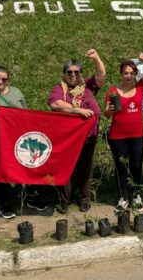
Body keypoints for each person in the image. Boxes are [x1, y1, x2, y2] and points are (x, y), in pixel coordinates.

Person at [0, 65, 47, 219]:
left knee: (27, 166)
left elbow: (25, 113)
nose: (0, 81)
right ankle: (4, 203)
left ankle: (31, 196)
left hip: (18, 138)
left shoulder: (16, 92)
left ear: (8, 80)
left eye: (4, 79)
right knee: (1, 170)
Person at [48, 49, 106, 213]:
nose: (73, 75)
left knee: (85, 167)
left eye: (76, 72)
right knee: (66, 167)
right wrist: (78, 110)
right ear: (64, 74)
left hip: (89, 135)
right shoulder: (60, 88)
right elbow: (56, 104)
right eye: (69, 72)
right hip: (67, 137)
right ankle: (64, 200)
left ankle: (84, 199)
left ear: (81, 74)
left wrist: (96, 58)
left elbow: (101, 76)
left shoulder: (86, 86)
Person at [104, 53, 143, 213]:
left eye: (131, 73)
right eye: (125, 73)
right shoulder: (113, 91)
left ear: (135, 74)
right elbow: (106, 113)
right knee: (121, 167)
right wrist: (109, 110)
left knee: (136, 166)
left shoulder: (140, 87)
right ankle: (124, 197)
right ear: (121, 74)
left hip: (137, 135)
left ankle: (137, 195)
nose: (128, 76)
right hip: (117, 136)